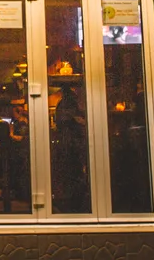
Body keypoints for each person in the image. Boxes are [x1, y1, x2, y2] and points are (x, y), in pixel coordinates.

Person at [53, 84, 90, 213]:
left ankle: (70, 202)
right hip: (73, 142)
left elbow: (60, 122)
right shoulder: (70, 105)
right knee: (75, 171)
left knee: (69, 172)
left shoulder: (63, 105)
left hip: (67, 143)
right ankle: (74, 203)